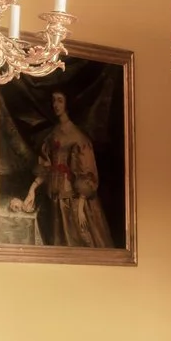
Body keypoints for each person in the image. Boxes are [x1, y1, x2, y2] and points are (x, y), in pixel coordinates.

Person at [22, 89, 114, 247]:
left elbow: (86, 173)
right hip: (55, 203)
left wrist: (80, 208)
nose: (55, 105)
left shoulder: (78, 137)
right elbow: (47, 166)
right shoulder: (52, 135)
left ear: (67, 105)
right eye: (53, 101)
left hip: (74, 203)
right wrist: (32, 190)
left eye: (59, 100)